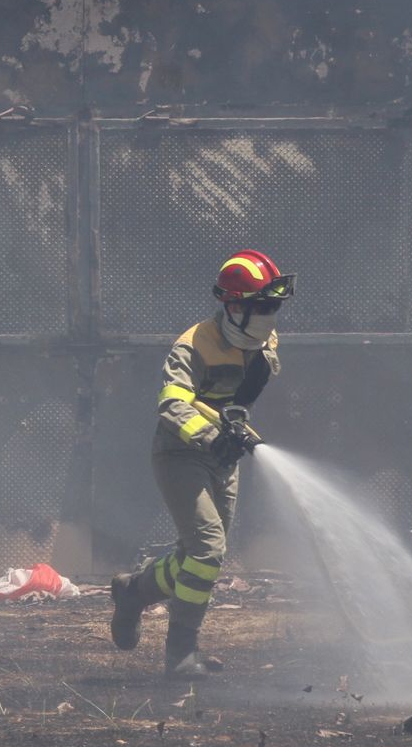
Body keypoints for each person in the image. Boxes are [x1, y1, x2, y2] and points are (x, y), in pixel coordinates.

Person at [108, 250, 294, 676]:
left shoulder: (264, 343)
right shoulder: (193, 344)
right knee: (208, 549)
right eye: (259, 307)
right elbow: (171, 405)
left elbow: (237, 401)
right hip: (180, 454)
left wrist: (234, 429)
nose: (268, 317)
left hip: (221, 457)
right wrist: (212, 437)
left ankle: (133, 592)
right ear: (233, 305)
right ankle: (180, 655)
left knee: (198, 555)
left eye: (272, 308)